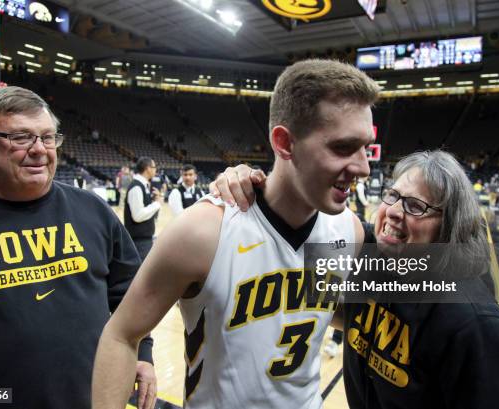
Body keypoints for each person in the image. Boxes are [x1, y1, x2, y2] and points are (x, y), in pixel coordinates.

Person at [92, 59, 380, 409]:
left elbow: (331, 310)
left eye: (366, 147)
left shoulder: (346, 229)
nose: (364, 167)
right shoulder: (205, 232)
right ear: (284, 143)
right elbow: (122, 334)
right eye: (343, 147)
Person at [216, 150, 499, 409]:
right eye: (393, 196)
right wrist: (246, 180)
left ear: (450, 227)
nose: (393, 211)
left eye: (415, 206)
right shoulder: (367, 252)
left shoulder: (477, 327)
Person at [0, 86, 156, 409]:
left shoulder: (92, 211)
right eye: (21, 138)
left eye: (47, 137)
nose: (40, 149)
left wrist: (143, 356)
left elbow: (132, 293)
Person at [124, 157, 163, 259]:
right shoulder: (136, 187)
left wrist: (155, 201)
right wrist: (157, 204)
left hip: (144, 240)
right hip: (139, 242)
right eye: (154, 167)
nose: (155, 170)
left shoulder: (143, 185)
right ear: (148, 168)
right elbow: (137, 215)